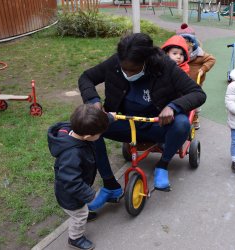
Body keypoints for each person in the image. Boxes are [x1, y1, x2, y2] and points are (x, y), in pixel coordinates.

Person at [78, 33, 206, 209]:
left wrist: (173, 107)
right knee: (90, 127)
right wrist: (93, 101)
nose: (127, 73)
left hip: (157, 125)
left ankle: (162, 165)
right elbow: (86, 77)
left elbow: (198, 93)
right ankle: (110, 186)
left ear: (147, 60)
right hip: (124, 122)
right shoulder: (116, 62)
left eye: (133, 69)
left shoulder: (165, 65)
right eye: (124, 68)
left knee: (182, 124)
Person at [47, 104, 114, 250]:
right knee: (79, 215)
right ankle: (75, 239)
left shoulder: (75, 128)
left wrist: (110, 117)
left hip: (75, 190)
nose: (100, 136)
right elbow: (71, 181)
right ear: (88, 137)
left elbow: (96, 121)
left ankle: (82, 210)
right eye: (99, 134)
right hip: (69, 194)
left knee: (81, 208)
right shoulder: (71, 154)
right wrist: (89, 195)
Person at [178, 32, 216, 129]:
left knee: (195, 100)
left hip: (196, 83)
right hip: (181, 83)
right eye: (183, 50)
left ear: (193, 48)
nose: (186, 52)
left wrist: (203, 69)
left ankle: (195, 116)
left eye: (188, 50)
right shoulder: (179, 57)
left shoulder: (200, 55)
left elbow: (211, 59)